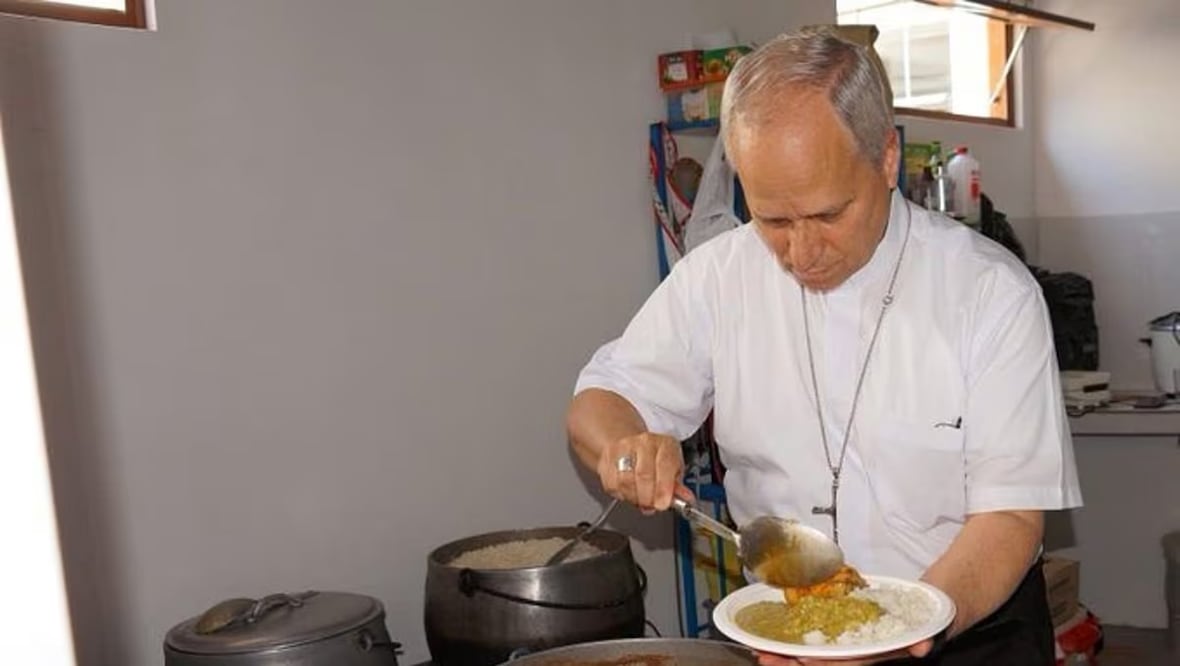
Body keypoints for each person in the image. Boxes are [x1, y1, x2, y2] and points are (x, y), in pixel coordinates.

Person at [566, 26, 1082, 665]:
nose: (801, 253)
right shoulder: (718, 278)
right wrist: (625, 446)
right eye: (774, 220)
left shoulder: (989, 293)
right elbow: (603, 398)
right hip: (790, 629)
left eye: (829, 215)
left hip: (965, 631)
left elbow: (1009, 522)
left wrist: (890, 633)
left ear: (886, 159)